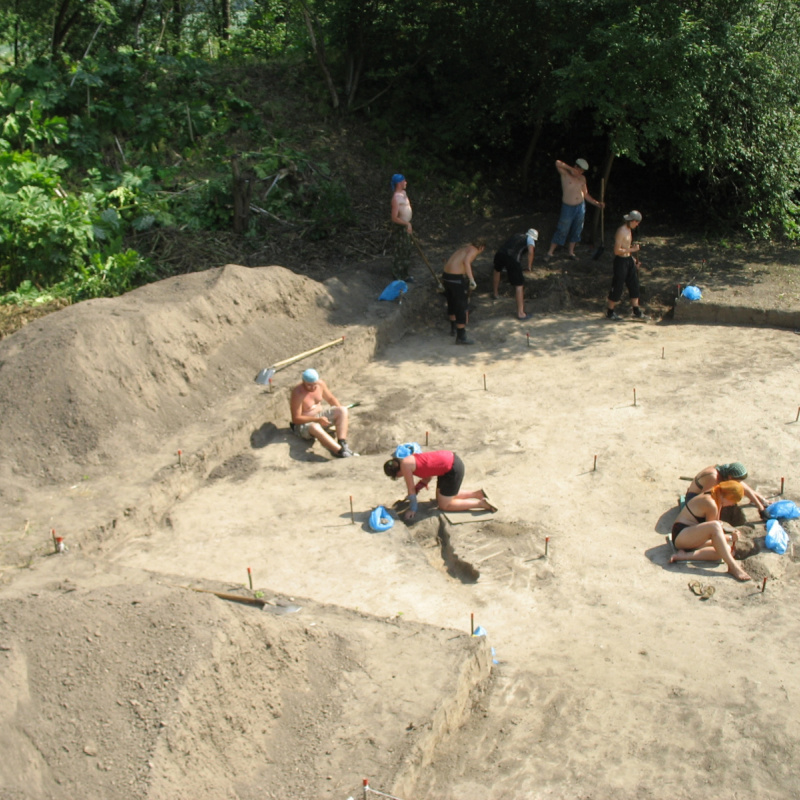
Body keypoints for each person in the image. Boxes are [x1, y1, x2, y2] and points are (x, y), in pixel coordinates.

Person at [669, 481, 751, 581]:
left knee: (725, 550)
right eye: (733, 501)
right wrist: (729, 537)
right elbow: (713, 532)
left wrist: (725, 539)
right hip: (681, 535)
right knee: (716, 528)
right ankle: (733, 567)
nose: (732, 504)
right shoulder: (711, 503)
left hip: (692, 535)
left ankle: (684, 556)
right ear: (729, 496)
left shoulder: (717, 494)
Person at [383, 450, 497, 521]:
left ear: (396, 472)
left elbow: (410, 490)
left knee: (444, 505)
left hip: (452, 469)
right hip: (448, 464)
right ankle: (477, 494)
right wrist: (419, 487)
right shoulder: (409, 459)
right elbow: (427, 476)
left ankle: (481, 503)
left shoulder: (405, 466)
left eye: (396, 476)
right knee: (441, 498)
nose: (399, 477)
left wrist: (412, 509)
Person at [545, 159, 604, 260]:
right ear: (575, 167)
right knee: (562, 229)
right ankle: (550, 252)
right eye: (579, 170)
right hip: (568, 207)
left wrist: (597, 203)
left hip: (580, 207)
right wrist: (570, 169)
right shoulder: (565, 174)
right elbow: (557, 163)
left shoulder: (582, 178)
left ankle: (571, 253)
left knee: (577, 229)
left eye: (582, 171)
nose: (580, 173)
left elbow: (585, 194)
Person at [289, 368, 353, 458]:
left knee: (343, 410)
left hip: (319, 418)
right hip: (305, 424)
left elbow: (331, 399)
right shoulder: (298, 392)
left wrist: (340, 414)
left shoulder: (320, 384)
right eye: (309, 385)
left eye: (314, 384)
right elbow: (296, 419)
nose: (313, 387)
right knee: (315, 426)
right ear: (303, 382)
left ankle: (342, 442)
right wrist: (317, 420)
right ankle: (340, 452)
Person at [442, 238, 485, 345]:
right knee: (461, 305)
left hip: (446, 277)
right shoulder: (474, 250)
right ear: (481, 248)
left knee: (452, 302)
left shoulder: (463, 248)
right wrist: (471, 279)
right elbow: (466, 262)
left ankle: (453, 329)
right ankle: (461, 336)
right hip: (455, 278)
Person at [606, 210, 647, 320]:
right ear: (632, 221)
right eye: (637, 222)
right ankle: (610, 312)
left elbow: (626, 248)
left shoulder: (629, 230)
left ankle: (636, 311)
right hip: (620, 262)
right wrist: (632, 250)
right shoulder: (621, 231)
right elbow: (617, 251)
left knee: (634, 285)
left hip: (628, 260)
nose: (637, 225)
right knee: (617, 286)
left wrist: (633, 259)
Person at [686, 462, 767, 515]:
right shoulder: (713, 478)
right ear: (730, 477)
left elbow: (744, 488)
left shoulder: (727, 472)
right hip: (693, 499)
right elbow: (705, 500)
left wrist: (761, 507)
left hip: (705, 497)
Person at [492, 228, 537, 320]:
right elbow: (530, 252)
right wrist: (529, 266)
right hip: (512, 258)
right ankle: (521, 313)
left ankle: (495, 294)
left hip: (500, 254)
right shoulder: (530, 239)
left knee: (497, 270)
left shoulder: (517, 235)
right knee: (519, 285)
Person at [390, 173, 414, 280]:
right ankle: (397, 275)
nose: (406, 183)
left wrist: (408, 224)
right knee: (401, 251)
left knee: (407, 250)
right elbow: (394, 218)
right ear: (399, 183)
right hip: (401, 227)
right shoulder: (395, 198)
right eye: (404, 181)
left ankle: (404, 274)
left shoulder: (403, 193)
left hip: (407, 225)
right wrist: (406, 224)